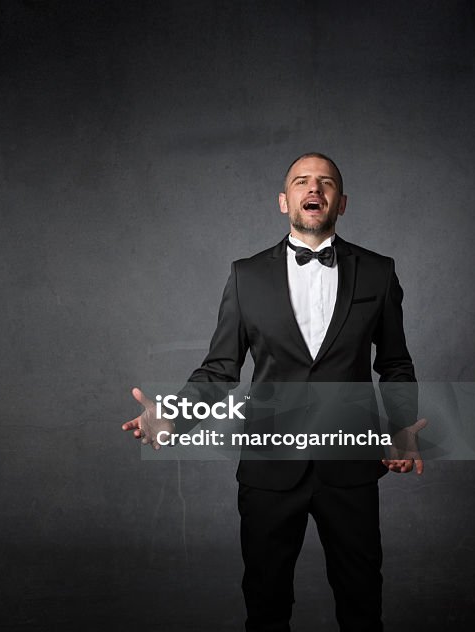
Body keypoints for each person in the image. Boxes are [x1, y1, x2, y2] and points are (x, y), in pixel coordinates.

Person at [122, 153, 427, 632]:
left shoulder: (378, 272)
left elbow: (394, 364)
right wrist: (172, 417)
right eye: (302, 181)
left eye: (326, 183)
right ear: (284, 200)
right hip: (269, 470)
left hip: (349, 468)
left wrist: (403, 430)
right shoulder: (246, 276)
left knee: (362, 603)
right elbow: (220, 369)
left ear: (341, 203)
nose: (315, 188)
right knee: (265, 606)